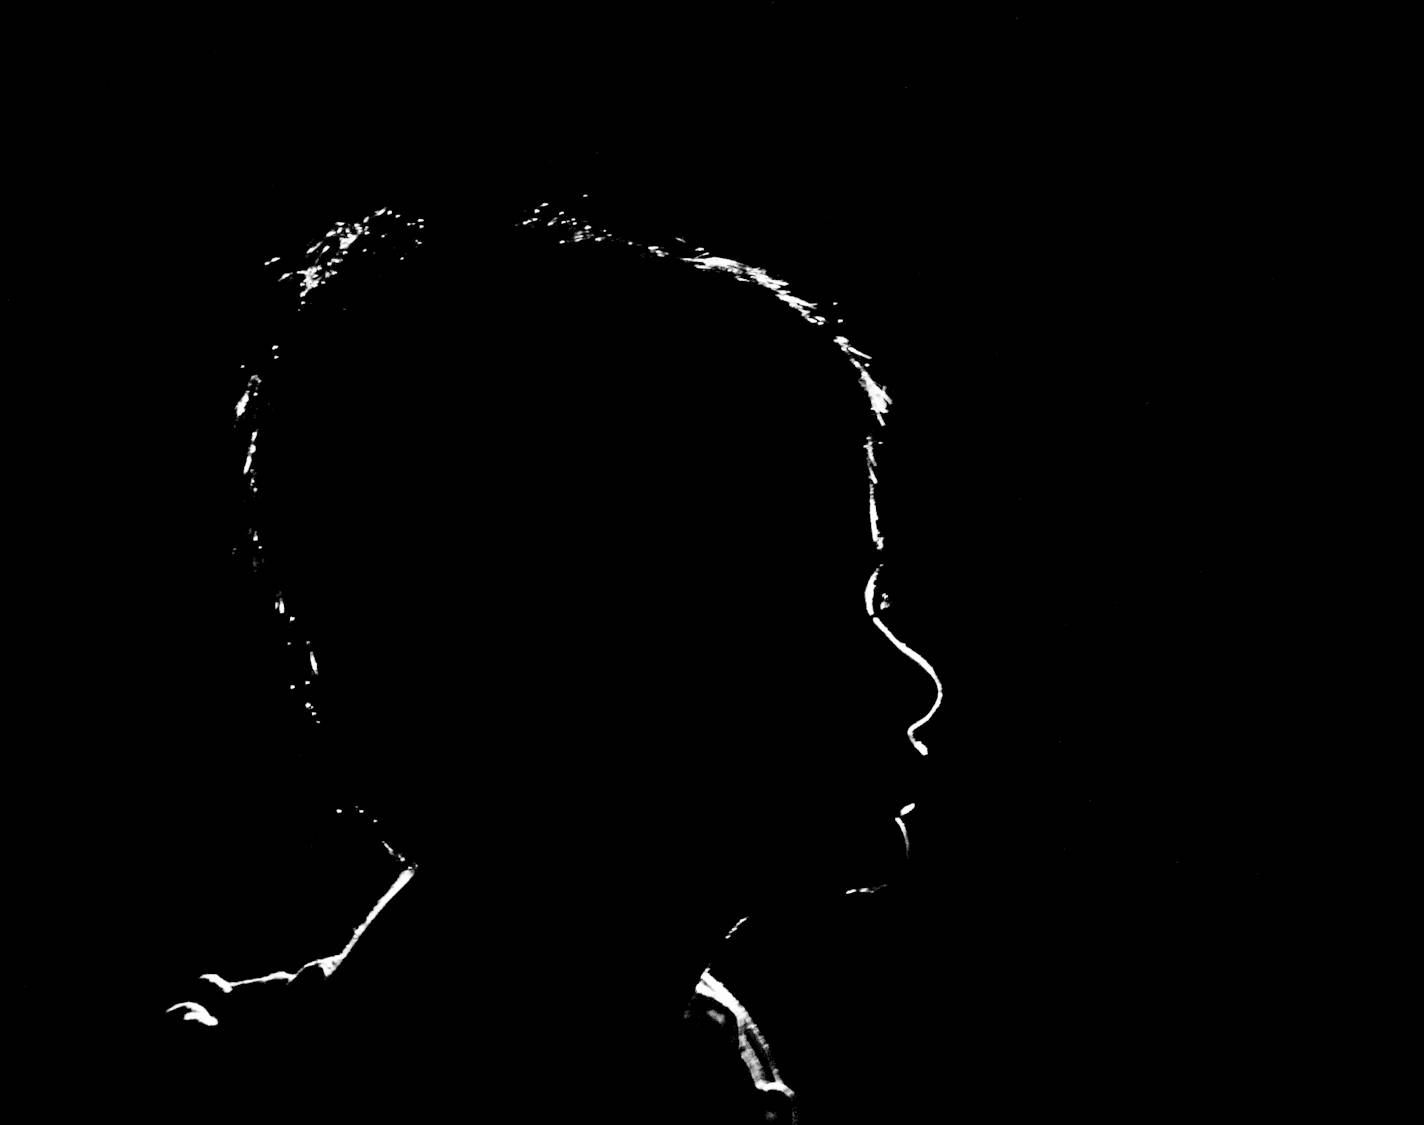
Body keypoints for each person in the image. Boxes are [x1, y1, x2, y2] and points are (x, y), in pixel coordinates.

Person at [164, 200, 941, 1120]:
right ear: (543, 668)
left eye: (868, 599)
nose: (913, 681)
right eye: (788, 607)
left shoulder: (714, 1068)